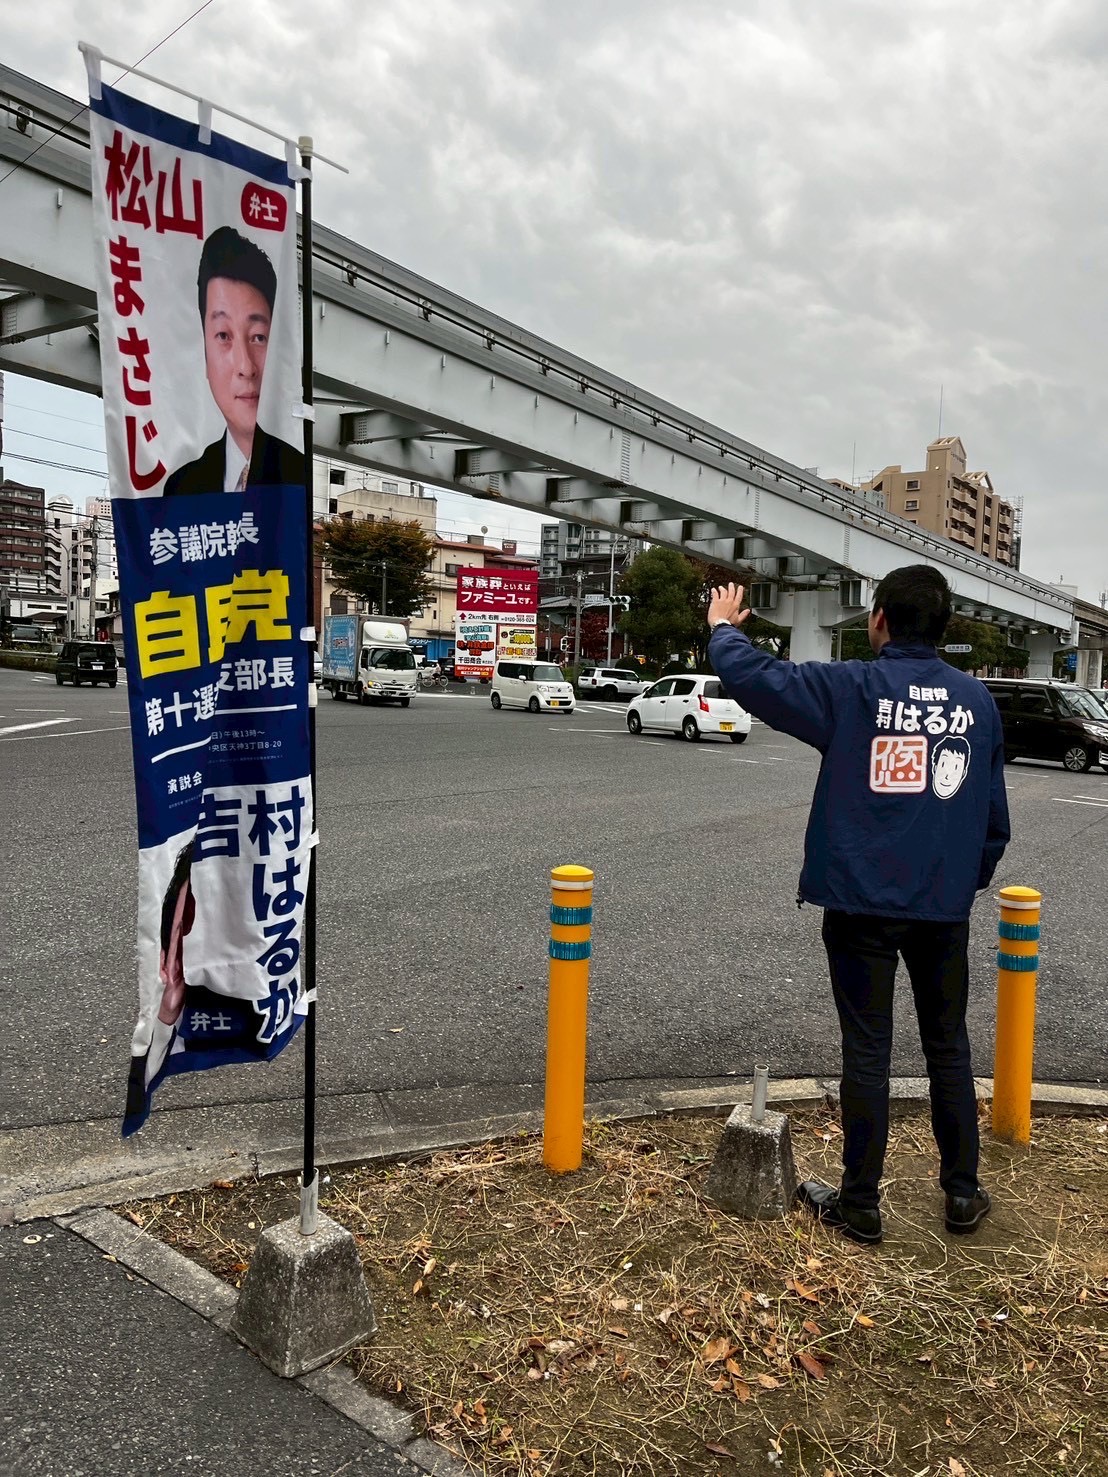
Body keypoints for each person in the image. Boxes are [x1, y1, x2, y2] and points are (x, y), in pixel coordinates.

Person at [707, 566, 1010, 1244]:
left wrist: (723, 628)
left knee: (868, 1049)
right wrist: (961, 880)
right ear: (943, 627)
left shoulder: (851, 690)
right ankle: (963, 1193)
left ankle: (862, 1204)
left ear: (878, 620)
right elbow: (994, 819)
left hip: (860, 902)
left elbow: (757, 677)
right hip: (942, 907)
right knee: (948, 1045)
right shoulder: (977, 702)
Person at [164, 226, 304, 496]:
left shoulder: (298, 475)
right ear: (204, 351)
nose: (246, 367)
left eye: (258, 337)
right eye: (223, 335)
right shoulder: (182, 487)